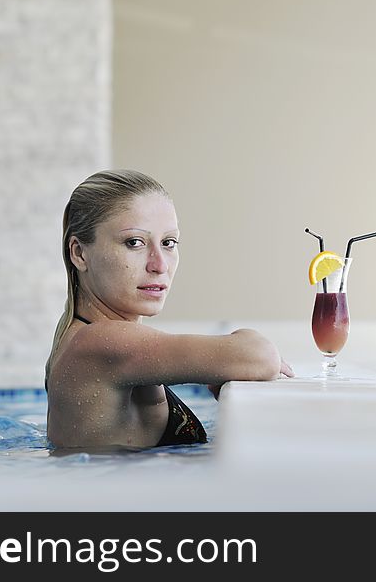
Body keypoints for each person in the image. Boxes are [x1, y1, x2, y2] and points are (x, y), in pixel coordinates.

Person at [45, 169, 294, 450]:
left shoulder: (86, 338)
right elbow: (261, 358)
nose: (160, 265)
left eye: (169, 243)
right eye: (134, 243)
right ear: (79, 253)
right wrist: (237, 349)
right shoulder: (99, 343)